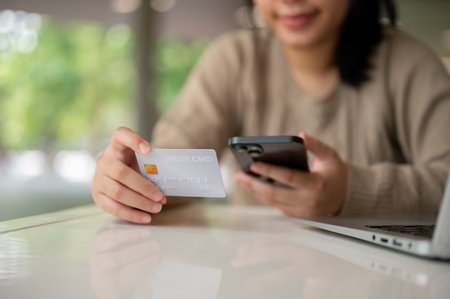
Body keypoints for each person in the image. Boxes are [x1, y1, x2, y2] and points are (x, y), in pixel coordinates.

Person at [92, 0, 450, 224]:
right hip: (255, 273)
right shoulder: (234, 59)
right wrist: (133, 175)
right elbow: (172, 162)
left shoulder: (409, 63)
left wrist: (350, 192)